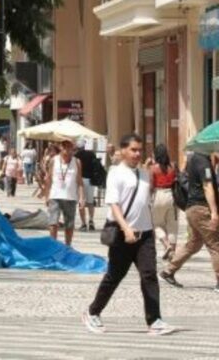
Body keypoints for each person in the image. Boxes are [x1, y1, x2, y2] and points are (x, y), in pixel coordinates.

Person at [83, 133, 175, 336]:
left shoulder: (144, 173)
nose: (137, 153)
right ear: (123, 150)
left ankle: (155, 320)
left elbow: (145, 201)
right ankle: (92, 312)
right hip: (122, 232)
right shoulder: (116, 172)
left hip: (145, 233)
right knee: (114, 275)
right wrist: (126, 228)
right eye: (133, 150)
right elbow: (113, 204)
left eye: (140, 150)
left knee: (149, 275)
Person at [158, 150, 219, 291]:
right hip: (202, 209)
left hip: (192, 209)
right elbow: (207, 186)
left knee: (193, 244)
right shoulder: (204, 163)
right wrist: (214, 212)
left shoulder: (196, 159)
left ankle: (168, 271)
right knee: (215, 244)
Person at [44, 139, 85, 246]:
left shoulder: (77, 162)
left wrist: (82, 198)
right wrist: (46, 195)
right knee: (53, 223)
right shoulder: (54, 160)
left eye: (69, 146)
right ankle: (53, 245)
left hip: (70, 197)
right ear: (60, 147)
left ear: (73, 148)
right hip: (55, 196)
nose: (67, 149)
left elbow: (79, 181)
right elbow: (49, 179)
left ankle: (68, 245)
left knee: (69, 224)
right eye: (64, 146)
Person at [147, 145, 179, 261]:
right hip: (172, 196)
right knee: (172, 225)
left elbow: (151, 186)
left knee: (156, 224)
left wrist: (148, 200)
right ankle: (172, 252)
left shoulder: (153, 168)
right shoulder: (173, 166)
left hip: (158, 195)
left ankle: (166, 245)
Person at [75, 139, 102, 232]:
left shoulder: (76, 156)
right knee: (90, 202)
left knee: (81, 202)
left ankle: (83, 223)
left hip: (80, 180)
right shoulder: (91, 154)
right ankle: (91, 221)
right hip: (91, 180)